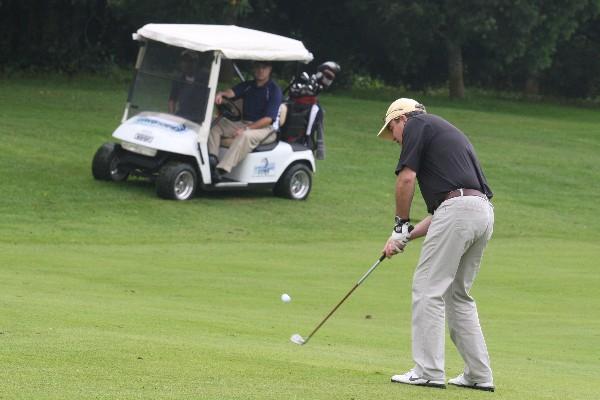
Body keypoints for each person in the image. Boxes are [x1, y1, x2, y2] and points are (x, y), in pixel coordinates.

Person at [377, 98, 495, 392]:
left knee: (428, 288)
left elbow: (406, 179)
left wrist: (399, 224)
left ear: (400, 118)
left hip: (459, 212)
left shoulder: (416, 123)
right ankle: (479, 375)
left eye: (392, 130)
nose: (394, 138)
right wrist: (406, 236)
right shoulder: (442, 131)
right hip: (480, 212)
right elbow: (443, 211)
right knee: (457, 294)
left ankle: (428, 371)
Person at [208, 61, 282, 181]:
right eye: (258, 67)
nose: (260, 70)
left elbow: (268, 119)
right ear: (254, 69)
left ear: (270, 69)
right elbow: (231, 93)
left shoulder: (274, 90)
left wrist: (246, 129)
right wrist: (222, 94)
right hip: (244, 122)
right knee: (215, 125)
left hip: (266, 129)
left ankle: (220, 170)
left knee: (245, 136)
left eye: (264, 67)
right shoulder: (248, 85)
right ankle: (212, 160)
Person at [168, 51, 208, 123]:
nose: (187, 64)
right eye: (184, 61)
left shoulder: (204, 79)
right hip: (182, 115)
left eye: (190, 61)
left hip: (198, 119)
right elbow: (172, 100)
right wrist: (172, 117)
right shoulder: (178, 80)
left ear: (196, 63)